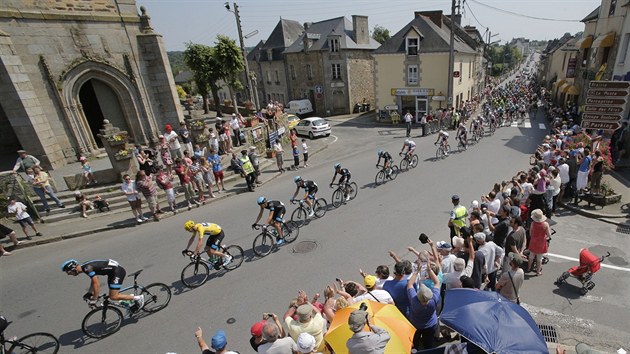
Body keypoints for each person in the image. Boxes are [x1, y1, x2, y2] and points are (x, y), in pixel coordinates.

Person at [61, 258, 144, 313]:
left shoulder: (87, 268)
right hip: (111, 272)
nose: (69, 274)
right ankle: (129, 299)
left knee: (113, 296)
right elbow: (93, 281)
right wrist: (89, 293)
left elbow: (97, 284)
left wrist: (94, 299)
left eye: (68, 272)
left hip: (117, 271)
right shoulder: (85, 267)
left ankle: (138, 298)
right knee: (112, 294)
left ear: (72, 268)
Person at [407, 262, 441, 350]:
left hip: (415, 325)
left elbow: (410, 284)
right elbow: (437, 282)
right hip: (430, 325)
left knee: (414, 343)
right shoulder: (433, 300)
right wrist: (429, 269)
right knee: (428, 344)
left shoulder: (414, 300)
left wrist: (417, 271)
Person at [527, 209, 551, 276]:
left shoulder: (533, 223)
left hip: (533, 241)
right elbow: (549, 234)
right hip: (541, 243)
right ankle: (538, 272)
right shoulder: (545, 224)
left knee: (531, 256)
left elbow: (530, 233)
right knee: (539, 258)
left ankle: (529, 268)